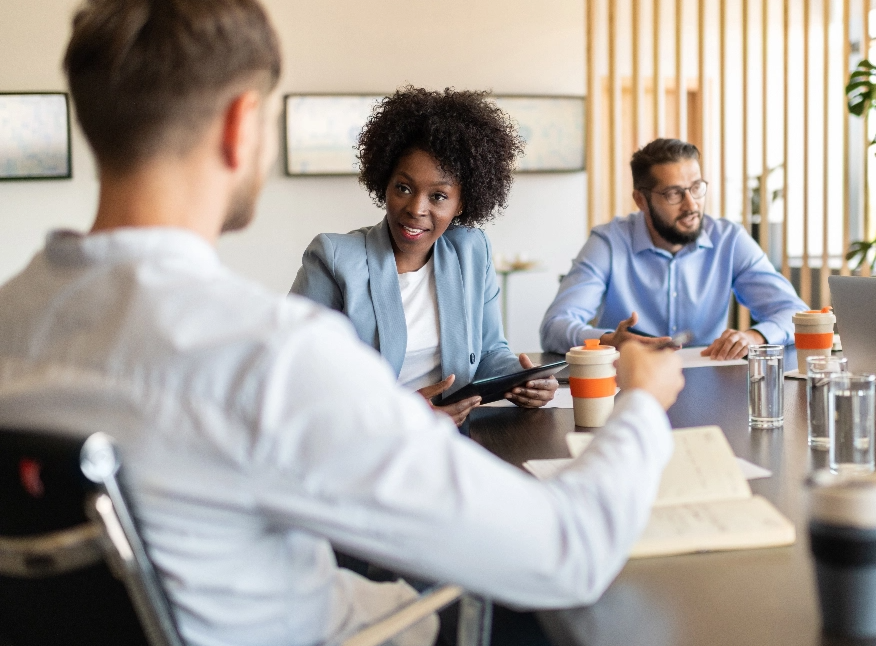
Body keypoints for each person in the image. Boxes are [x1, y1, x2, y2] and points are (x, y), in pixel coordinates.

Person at [0, 2, 685, 646]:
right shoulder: (270, 356)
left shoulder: (11, 318)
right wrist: (644, 405)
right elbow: (568, 553)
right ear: (243, 125)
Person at [291, 88, 556, 426]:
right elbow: (297, 375)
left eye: (438, 196)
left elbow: (490, 353)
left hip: (456, 441)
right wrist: (403, 411)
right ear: (384, 183)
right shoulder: (333, 259)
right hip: (364, 443)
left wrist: (523, 379)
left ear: (462, 203)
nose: (416, 209)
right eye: (403, 187)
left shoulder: (472, 251)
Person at [540, 138, 808, 359]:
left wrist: (754, 336)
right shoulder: (609, 242)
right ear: (641, 200)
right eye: (673, 194)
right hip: (629, 381)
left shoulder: (730, 239)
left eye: (696, 188)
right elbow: (554, 326)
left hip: (709, 381)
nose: (691, 205)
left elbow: (794, 313)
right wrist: (608, 341)